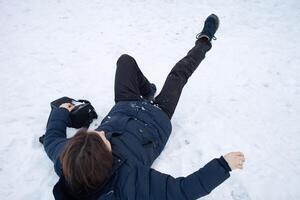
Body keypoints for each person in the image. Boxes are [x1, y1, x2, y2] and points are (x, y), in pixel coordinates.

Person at [43, 14, 246, 200]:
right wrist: (222, 166)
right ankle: (205, 40)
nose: (103, 133)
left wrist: (62, 111)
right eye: (103, 139)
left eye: (97, 133)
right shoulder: (129, 183)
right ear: (108, 160)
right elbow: (182, 191)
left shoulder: (67, 161)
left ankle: (148, 90)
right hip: (157, 118)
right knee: (178, 74)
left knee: (125, 61)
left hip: (124, 106)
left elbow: (52, 138)